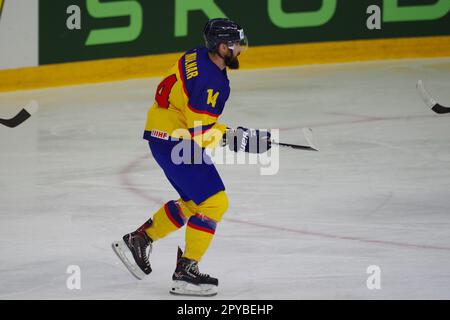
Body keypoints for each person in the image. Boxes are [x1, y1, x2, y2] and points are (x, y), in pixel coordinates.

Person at [113, 18, 271, 296]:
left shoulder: (196, 55)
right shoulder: (211, 81)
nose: (239, 49)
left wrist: (234, 135)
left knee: (192, 202)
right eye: (235, 44)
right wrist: (241, 140)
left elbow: (194, 119)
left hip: (162, 133)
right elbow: (200, 132)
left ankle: (139, 240)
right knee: (214, 203)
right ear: (222, 47)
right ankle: (186, 271)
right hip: (175, 140)